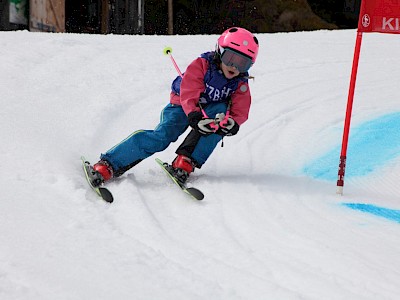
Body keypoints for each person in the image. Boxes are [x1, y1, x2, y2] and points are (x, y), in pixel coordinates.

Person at [90, 27, 259, 187]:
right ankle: (110, 162)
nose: (234, 67)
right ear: (219, 52)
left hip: (209, 110)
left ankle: (186, 160)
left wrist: (233, 123)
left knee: (217, 123)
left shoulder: (240, 83)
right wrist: (194, 115)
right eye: (230, 58)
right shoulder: (202, 65)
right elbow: (189, 90)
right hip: (182, 105)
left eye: (242, 64)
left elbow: (241, 106)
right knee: (163, 136)